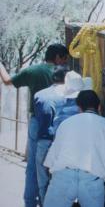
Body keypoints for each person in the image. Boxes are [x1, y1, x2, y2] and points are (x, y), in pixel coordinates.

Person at [0, 43, 68, 207]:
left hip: (37, 121)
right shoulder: (65, 74)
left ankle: (30, 202)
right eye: (64, 59)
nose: (65, 62)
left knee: (33, 166)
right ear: (58, 57)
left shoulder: (33, 71)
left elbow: (7, 81)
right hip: (61, 122)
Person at [43, 90, 105, 207]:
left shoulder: (65, 124)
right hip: (91, 180)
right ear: (99, 107)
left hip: (64, 177)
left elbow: (49, 162)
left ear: (79, 108)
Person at [34, 69, 91, 204]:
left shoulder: (60, 112)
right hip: (82, 158)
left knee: (46, 185)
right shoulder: (85, 113)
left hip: (61, 157)